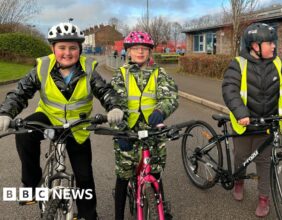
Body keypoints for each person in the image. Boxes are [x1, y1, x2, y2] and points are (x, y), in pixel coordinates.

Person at [0, 22, 124, 220]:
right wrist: (6, 112)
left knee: (84, 177)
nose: (67, 52)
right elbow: (20, 92)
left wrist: (114, 107)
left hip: (78, 126)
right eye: (62, 47)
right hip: (47, 119)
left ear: (79, 49)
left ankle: (88, 215)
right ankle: (31, 186)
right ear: (53, 49)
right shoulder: (42, 67)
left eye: (73, 48)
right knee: (24, 134)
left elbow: (105, 91)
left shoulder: (89, 68)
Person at [222, 23, 282, 217]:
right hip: (244, 124)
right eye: (269, 43)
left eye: (273, 43)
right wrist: (240, 113)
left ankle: (264, 198)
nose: (274, 47)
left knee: (265, 163)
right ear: (254, 46)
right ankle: (239, 181)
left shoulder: (278, 63)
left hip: (269, 124)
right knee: (241, 158)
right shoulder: (238, 63)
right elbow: (230, 89)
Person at [110, 31, 178, 220]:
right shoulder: (121, 74)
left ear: (149, 52)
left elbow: (171, 96)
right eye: (135, 48)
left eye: (144, 48)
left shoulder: (159, 73)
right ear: (128, 52)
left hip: (152, 131)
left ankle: (161, 207)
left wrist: (161, 111)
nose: (140, 51)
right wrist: (121, 131)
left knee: (155, 172)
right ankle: (118, 215)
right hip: (128, 132)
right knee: (124, 174)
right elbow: (115, 103)